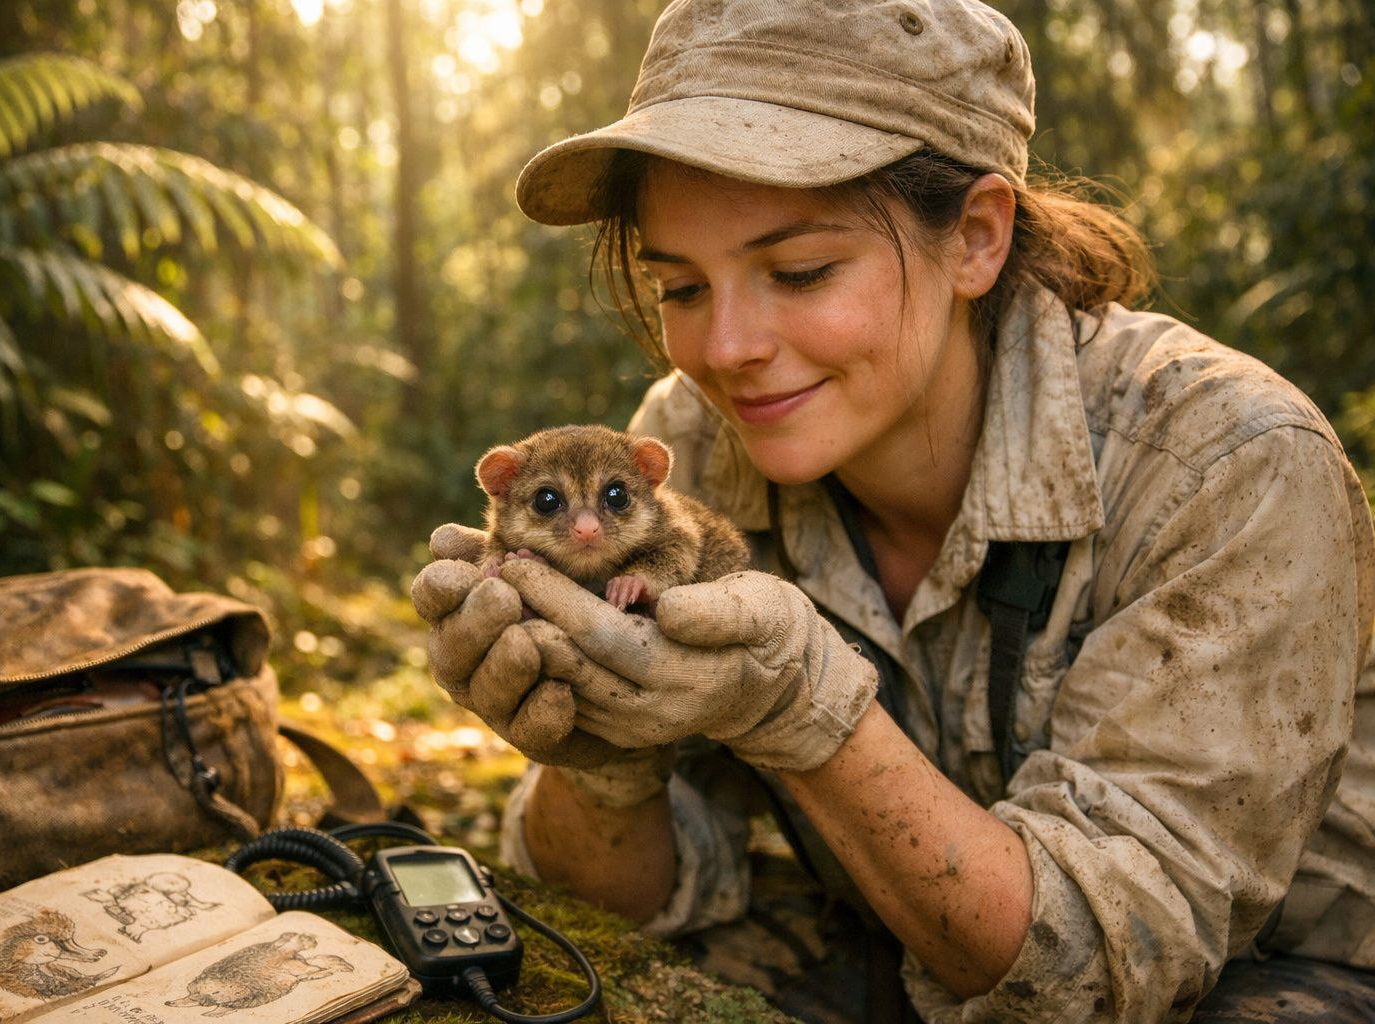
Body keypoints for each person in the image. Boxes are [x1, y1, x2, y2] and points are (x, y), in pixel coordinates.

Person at [410, 1, 1375, 1021]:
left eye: (801, 271)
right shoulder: (684, 448)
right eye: (683, 287)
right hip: (894, 938)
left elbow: (1099, 969)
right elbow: (639, 898)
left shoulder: (1228, 463)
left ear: (975, 236)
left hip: (1264, 975)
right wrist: (603, 769)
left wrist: (804, 713)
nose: (726, 347)